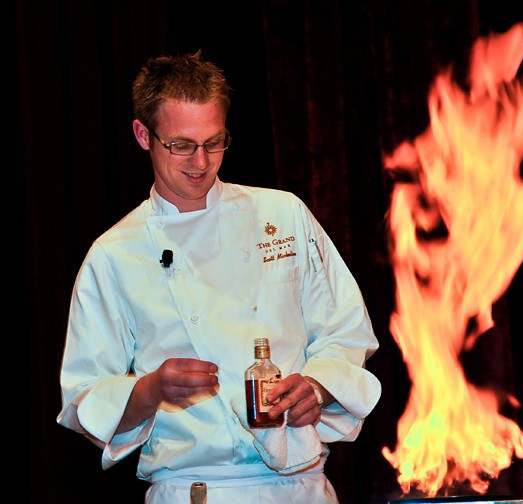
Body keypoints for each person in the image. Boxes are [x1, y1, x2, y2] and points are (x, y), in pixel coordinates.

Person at [57, 49, 381, 504]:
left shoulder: (282, 214)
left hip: (302, 489)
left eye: (214, 142)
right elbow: (83, 400)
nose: (201, 162)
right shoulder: (114, 254)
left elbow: (346, 332)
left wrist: (319, 386)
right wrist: (151, 389)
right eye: (181, 145)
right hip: (195, 490)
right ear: (143, 135)